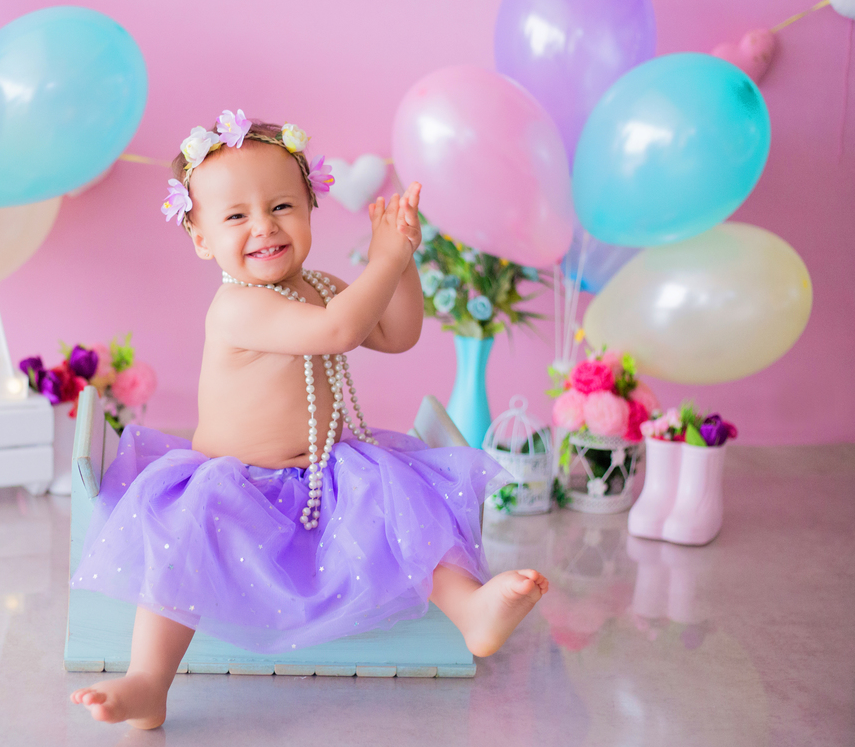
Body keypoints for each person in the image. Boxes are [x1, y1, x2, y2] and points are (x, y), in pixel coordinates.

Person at [70, 111, 548, 728]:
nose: (264, 226)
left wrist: (400, 262)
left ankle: (471, 610)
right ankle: (148, 680)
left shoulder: (318, 283)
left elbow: (394, 333)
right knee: (181, 543)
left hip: (327, 474)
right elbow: (338, 331)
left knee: (405, 501)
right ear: (200, 238)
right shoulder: (236, 307)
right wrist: (382, 261)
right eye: (236, 216)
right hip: (233, 480)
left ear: (310, 209)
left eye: (282, 206)